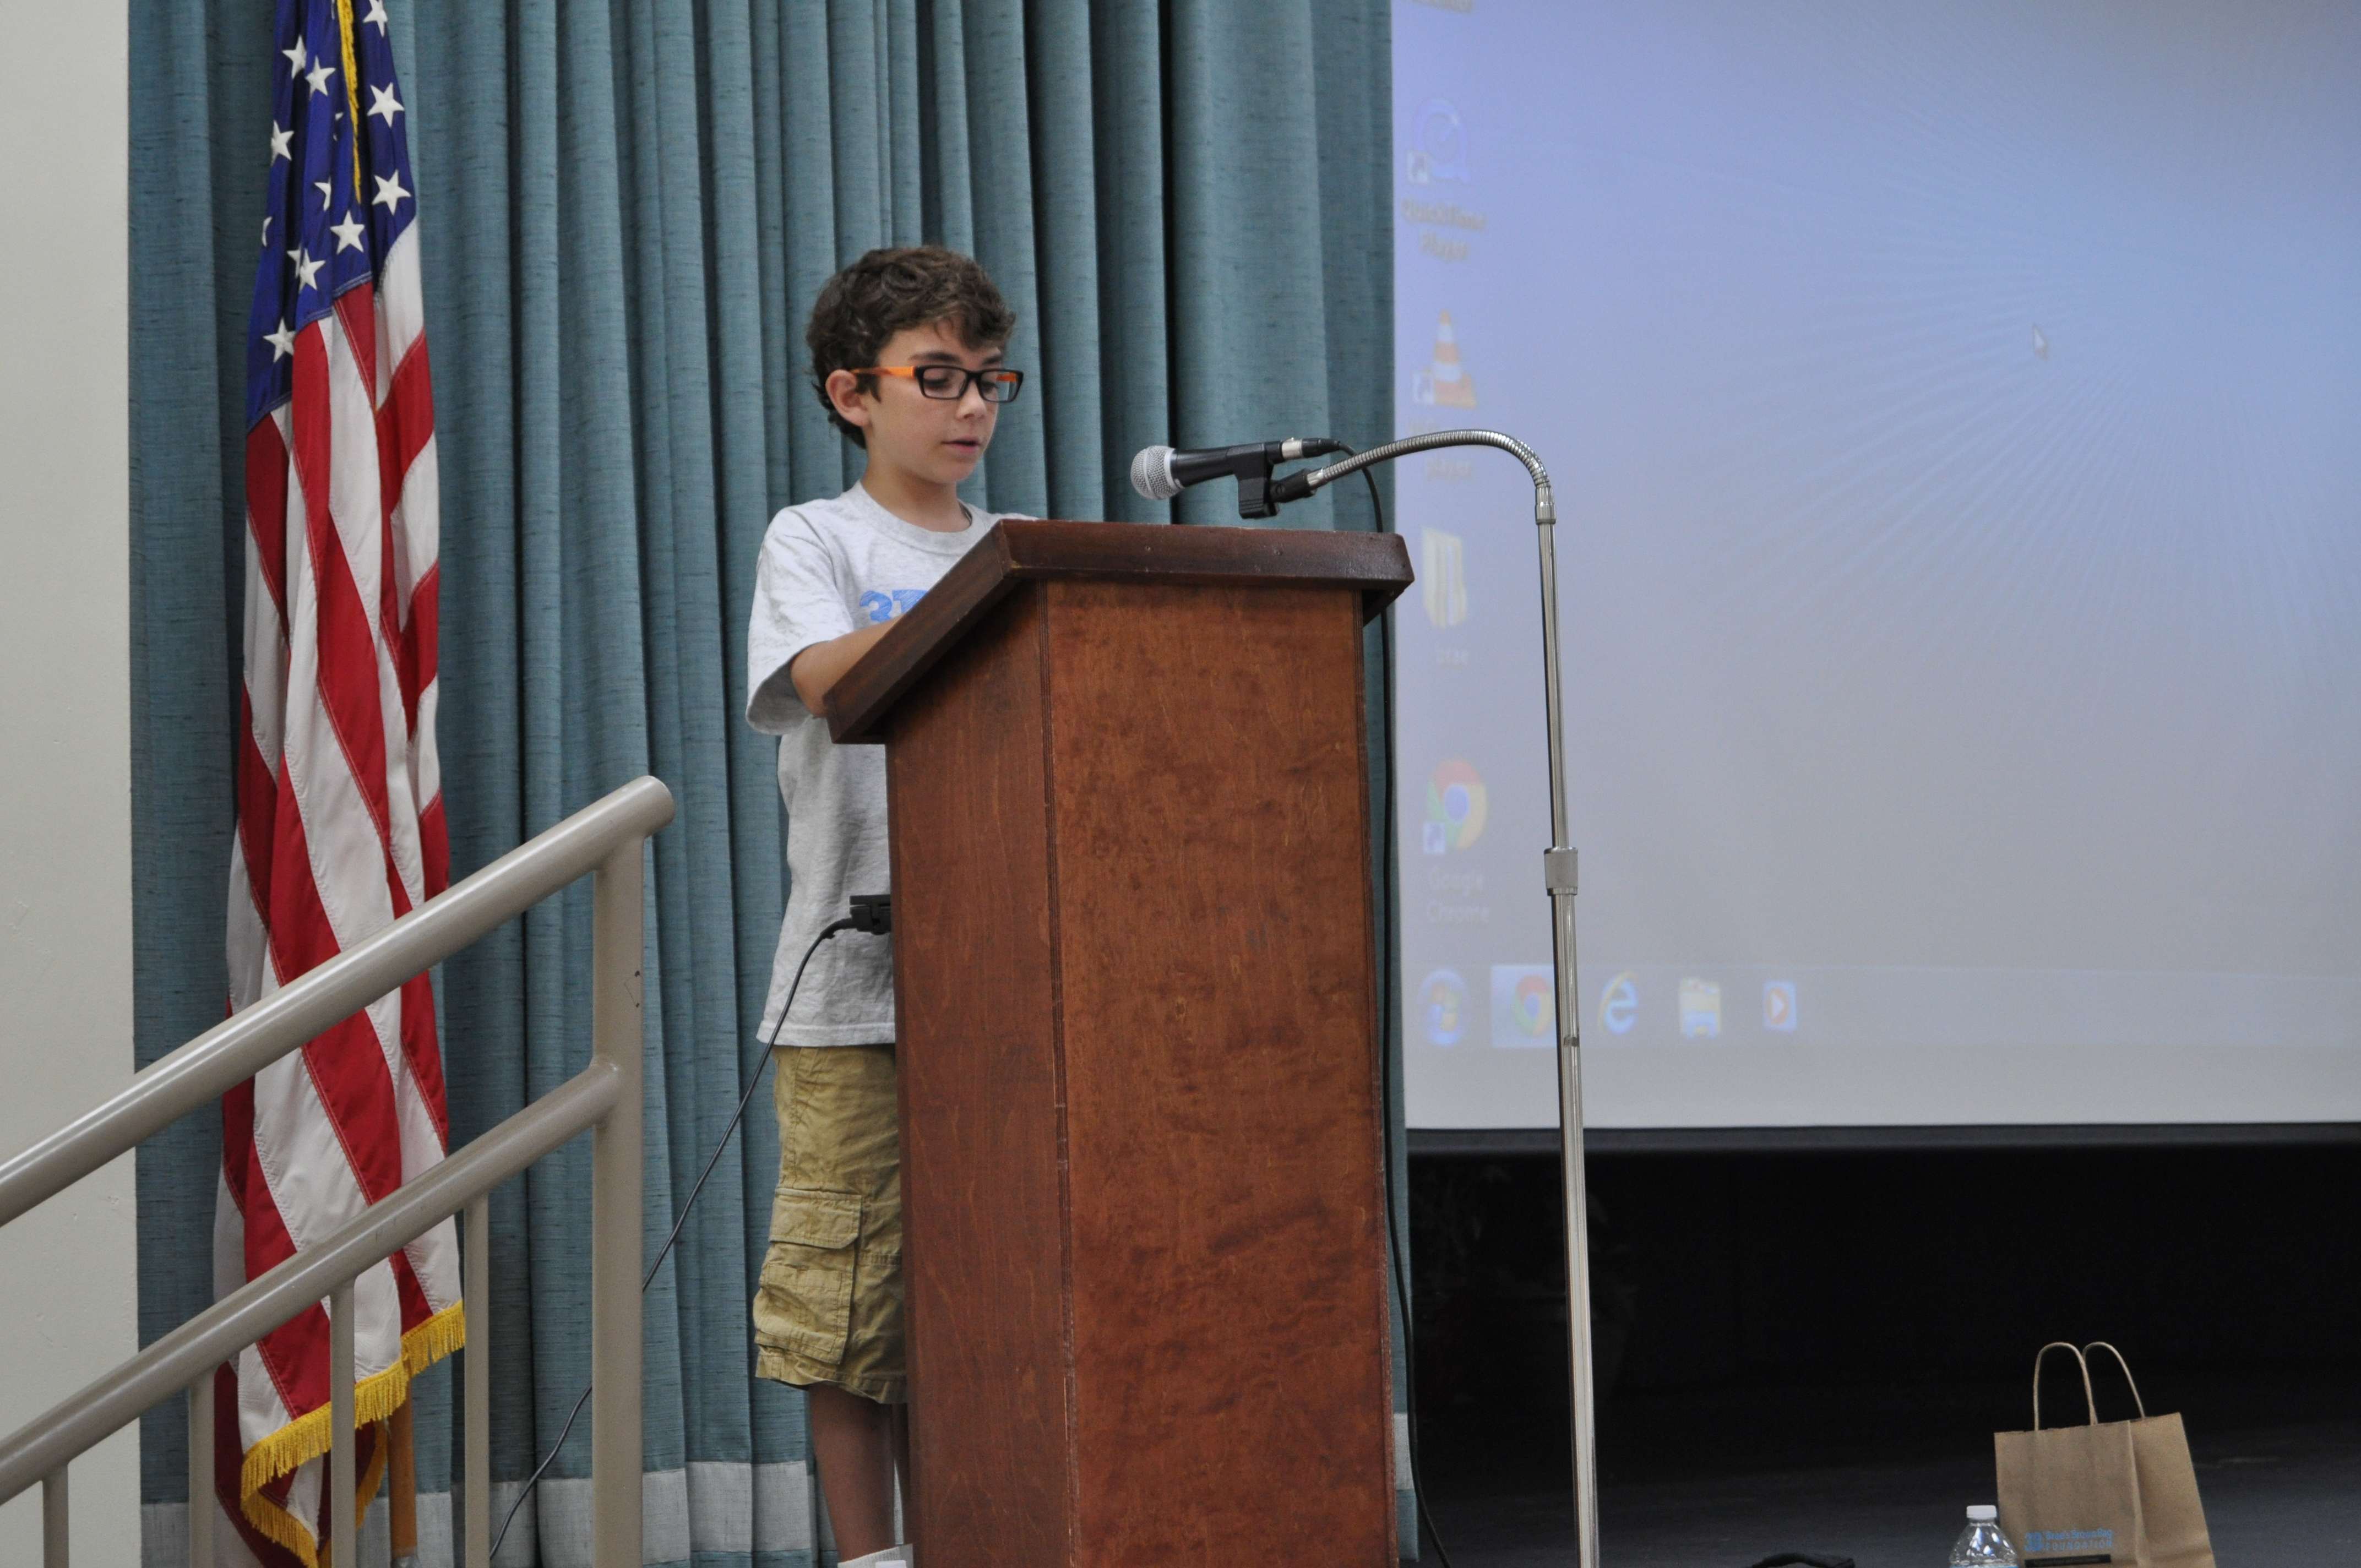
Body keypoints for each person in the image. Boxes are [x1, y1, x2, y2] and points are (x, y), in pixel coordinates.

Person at [742, 244, 1030, 1559]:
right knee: (847, 1303)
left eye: (988, 380)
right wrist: (998, 587)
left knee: (979, 1290)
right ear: (851, 393)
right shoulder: (817, 538)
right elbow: (818, 679)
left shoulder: (1018, 556)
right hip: (851, 992)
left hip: (1005, 987)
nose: (968, 407)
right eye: (936, 378)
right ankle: (871, 1556)